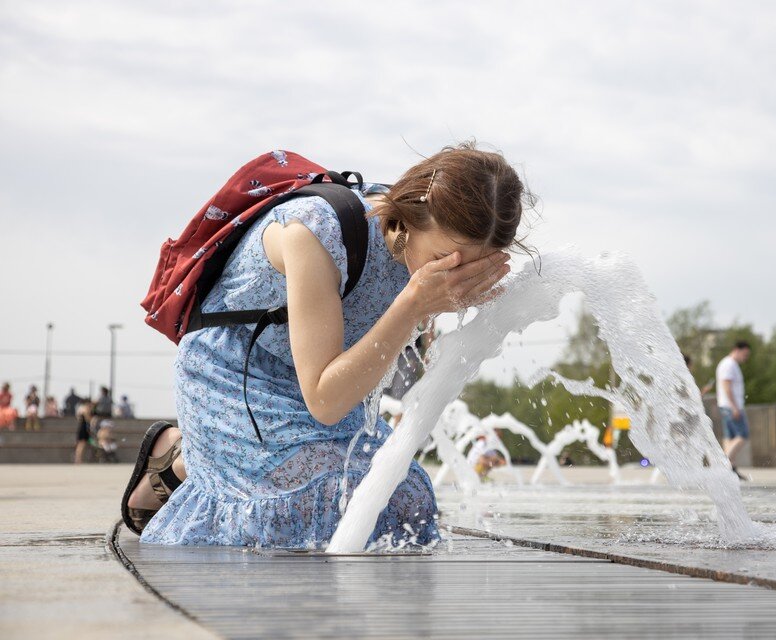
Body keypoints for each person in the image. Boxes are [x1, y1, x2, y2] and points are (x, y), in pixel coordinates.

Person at [122, 143, 528, 548]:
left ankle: (187, 460)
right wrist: (414, 304)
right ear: (414, 215)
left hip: (319, 379)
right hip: (237, 374)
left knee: (407, 500)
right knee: (309, 505)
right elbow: (324, 400)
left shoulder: (418, 252)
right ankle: (181, 458)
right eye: (446, 257)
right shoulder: (316, 233)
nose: (455, 273)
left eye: (473, 264)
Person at [716, 341, 751, 480]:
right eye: (745, 354)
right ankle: (723, 463)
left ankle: (730, 469)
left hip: (727, 406)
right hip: (731, 406)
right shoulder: (729, 364)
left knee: (730, 437)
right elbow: (726, 385)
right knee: (742, 435)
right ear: (737, 350)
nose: (746, 357)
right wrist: (735, 407)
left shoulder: (729, 364)